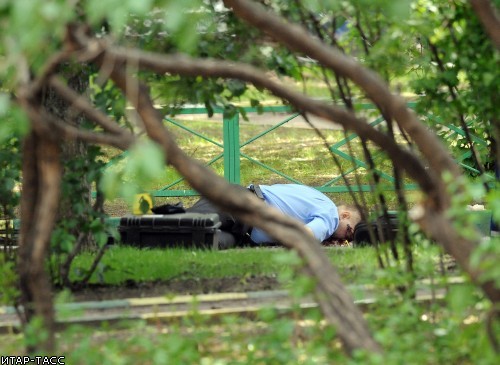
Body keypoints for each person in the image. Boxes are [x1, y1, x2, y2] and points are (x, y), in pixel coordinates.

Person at [186, 183, 362, 248]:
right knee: (188, 224)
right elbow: (303, 236)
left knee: (205, 241)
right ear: (344, 215)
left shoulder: (321, 201)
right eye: (348, 233)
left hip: (243, 230)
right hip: (243, 206)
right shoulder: (331, 217)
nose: (344, 239)